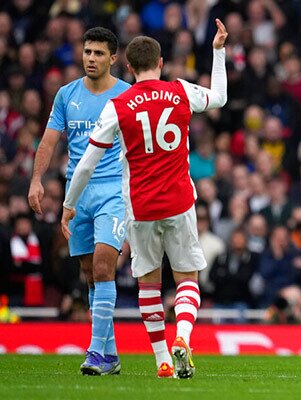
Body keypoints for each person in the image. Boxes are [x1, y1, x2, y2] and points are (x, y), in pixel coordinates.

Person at [61, 20, 229, 379]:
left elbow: (87, 163)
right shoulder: (181, 91)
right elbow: (220, 98)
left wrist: (68, 204)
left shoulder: (118, 105)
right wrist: (218, 51)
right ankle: (183, 336)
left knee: (149, 284)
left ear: (128, 67)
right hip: (180, 202)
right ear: (161, 62)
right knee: (187, 279)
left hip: (140, 206)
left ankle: (162, 359)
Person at [28, 27, 130, 376]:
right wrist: (37, 179)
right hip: (77, 194)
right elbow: (49, 140)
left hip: (113, 192)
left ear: (113, 58)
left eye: (99, 53)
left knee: (104, 267)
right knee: (89, 275)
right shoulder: (66, 95)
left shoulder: (127, 96)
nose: (91, 58)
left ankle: (94, 354)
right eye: (87, 52)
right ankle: (111, 354)